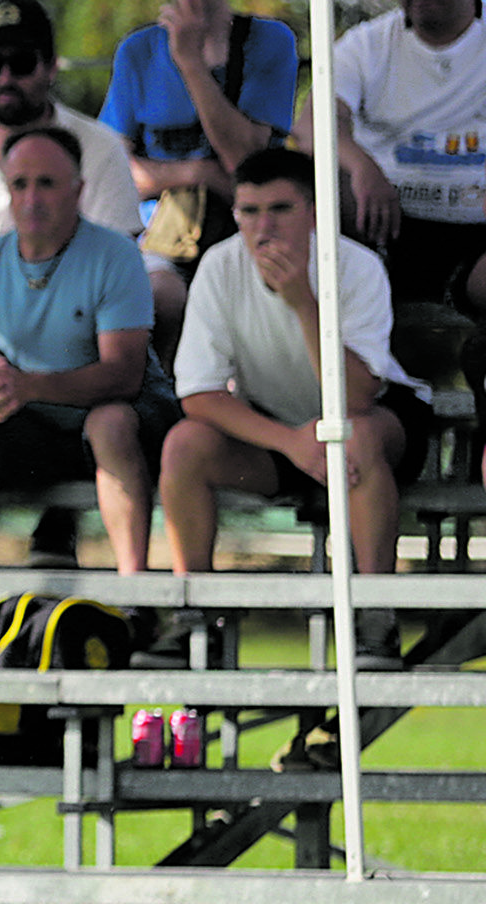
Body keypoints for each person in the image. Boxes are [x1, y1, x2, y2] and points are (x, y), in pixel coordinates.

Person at [137, 148, 431, 670]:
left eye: (280, 209)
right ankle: (192, 614)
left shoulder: (355, 266)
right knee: (184, 444)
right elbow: (198, 395)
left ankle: (374, 616)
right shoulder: (219, 266)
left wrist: (301, 302)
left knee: (356, 435)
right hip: (278, 433)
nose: (263, 226)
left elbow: (359, 394)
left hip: (371, 422)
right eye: (249, 211)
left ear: (314, 211)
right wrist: (292, 442)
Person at [0, 0, 149, 573]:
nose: (6, 77)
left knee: (119, 400)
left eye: (21, 61)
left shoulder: (99, 149)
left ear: (51, 66)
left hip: (83, 345)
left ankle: (139, 598)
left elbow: (114, 285)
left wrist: (25, 382)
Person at [0, 126, 180, 646]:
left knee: (110, 422)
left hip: (121, 419)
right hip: (34, 422)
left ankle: (137, 601)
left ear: (78, 190)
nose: (32, 198)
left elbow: (123, 374)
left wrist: (26, 385)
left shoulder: (116, 256)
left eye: (47, 183)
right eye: (20, 184)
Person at [99, 0, 300, 367]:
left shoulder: (270, 41)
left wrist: (190, 63)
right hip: (158, 240)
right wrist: (197, 174)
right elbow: (111, 169)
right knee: (158, 298)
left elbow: (245, 161)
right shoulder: (138, 51)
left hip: (250, 233)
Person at [292, 0, 486, 322]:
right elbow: (311, 123)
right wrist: (362, 167)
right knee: (318, 176)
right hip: (383, 224)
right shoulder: (367, 43)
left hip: (476, 232)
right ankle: (339, 329)